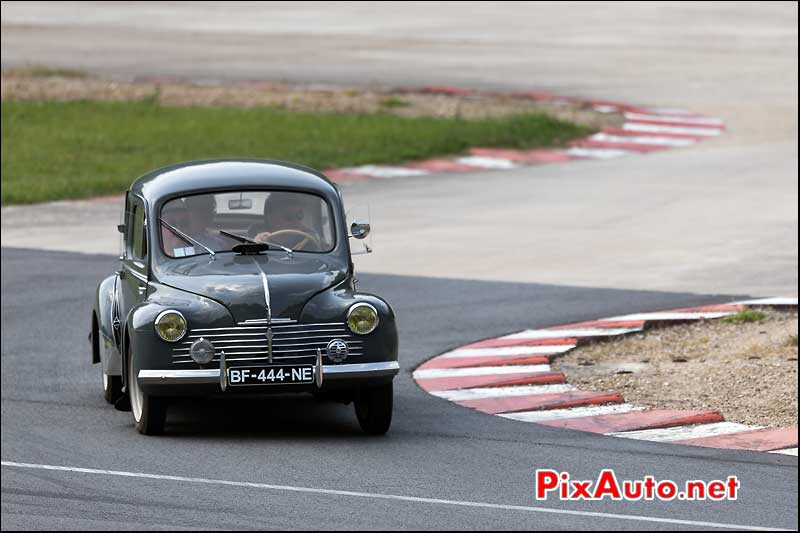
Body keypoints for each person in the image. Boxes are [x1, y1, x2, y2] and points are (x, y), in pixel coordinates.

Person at [252, 192, 322, 251]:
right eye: (288, 217)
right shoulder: (259, 240)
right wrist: (257, 245)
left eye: (299, 216)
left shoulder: (308, 240)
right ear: (270, 219)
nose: (297, 223)